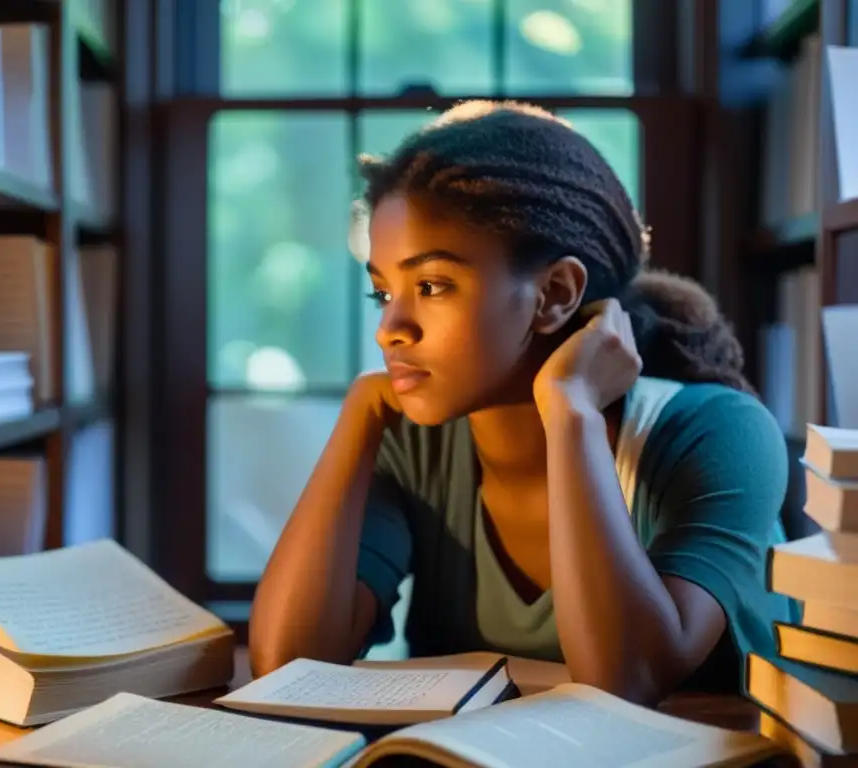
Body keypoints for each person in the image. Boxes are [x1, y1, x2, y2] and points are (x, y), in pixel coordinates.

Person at [248, 100, 799, 706]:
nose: (390, 328)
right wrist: (359, 415)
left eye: (431, 285)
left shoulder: (718, 434)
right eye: (383, 292)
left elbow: (627, 681)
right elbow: (287, 665)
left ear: (555, 294)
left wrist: (570, 413)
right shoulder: (411, 440)